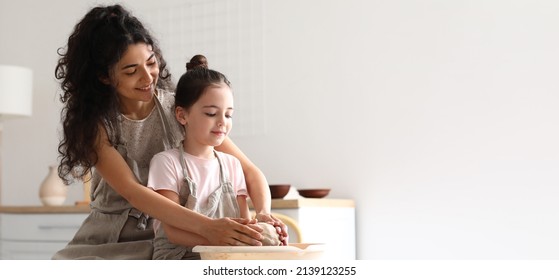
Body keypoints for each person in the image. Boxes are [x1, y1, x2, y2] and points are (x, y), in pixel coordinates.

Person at [52, 4, 286, 260]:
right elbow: (134, 192)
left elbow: (249, 171)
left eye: (151, 62)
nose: (147, 77)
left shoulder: (176, 108)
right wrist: (208, 228)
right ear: (104, 77)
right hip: (114, 238)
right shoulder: (96, 126)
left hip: (177, 232)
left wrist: (264, 213)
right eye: (131, 71)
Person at [147, 67, 271, 259]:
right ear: (182, 115)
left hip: (225, 258)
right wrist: (221, 240)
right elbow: (172, 232)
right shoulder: (166, 163)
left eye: (228, 115)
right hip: (179, 257)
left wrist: (265, 229)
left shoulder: (232, 165)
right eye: (212, 114)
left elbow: (243, 223)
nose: (223, 122)